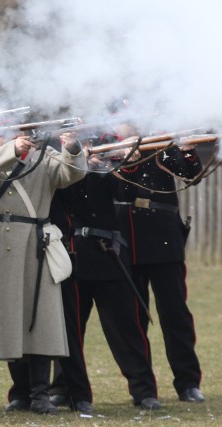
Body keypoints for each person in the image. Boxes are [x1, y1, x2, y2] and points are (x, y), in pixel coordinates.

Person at [0, 131, 86, 415]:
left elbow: (71, 174)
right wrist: (10, 150)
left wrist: (72, 147)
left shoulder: (46, 158)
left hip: (33, 246)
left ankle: (39, 395)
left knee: (38, 320)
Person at [46, 141, 161, 412]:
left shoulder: (109, 166)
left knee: (127, 328)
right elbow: (58, 191)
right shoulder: (59, 162)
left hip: (108, 253)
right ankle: (68, 390)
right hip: (73, 255)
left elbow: (127, 192)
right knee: (70, 329)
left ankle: (143, 390)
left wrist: (119, 165)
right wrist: (78, 162)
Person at [112, 116, 205, 404]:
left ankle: (188, 383)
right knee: (133, 319)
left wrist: (186, 148)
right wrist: (128, 151)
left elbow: (190, 172)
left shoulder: (161, 143)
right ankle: (143, 388)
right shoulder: (110, 147)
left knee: (175, 313)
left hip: (163, 234)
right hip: (125, 235)